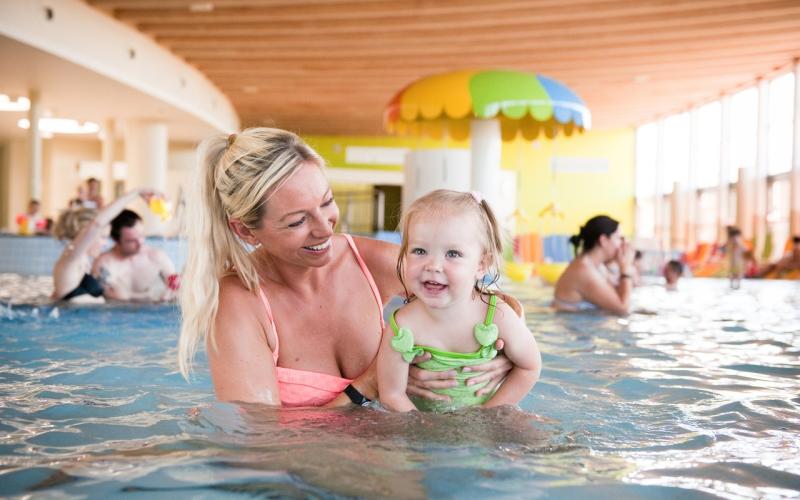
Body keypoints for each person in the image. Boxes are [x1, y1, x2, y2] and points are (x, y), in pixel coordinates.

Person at [178, 128, 512, 408]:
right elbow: (258, 441)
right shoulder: (239, 303)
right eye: (297, 221)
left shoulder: (368, 261)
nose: (325, 228)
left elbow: (493, 302)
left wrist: (501, 358)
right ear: (245, 230)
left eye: (326, 202)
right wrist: (370, 383)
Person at [376, 190, 541, 412]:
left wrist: (490, 413)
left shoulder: (496, 316)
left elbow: (530, 367)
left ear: (482, 265)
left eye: (452, 254)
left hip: (491, 418)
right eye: (419, 250)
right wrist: (421, 428)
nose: (433, 265)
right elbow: (391, 394)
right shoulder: (403, 327)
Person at [51, 188, 155, 302]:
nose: (105, 243)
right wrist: (136, 193)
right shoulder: (71, 259)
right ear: (85, 234)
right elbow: (97, 224)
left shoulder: (83, 261)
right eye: (103, 237)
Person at [553, 215, 635, 315]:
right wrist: (625, 268)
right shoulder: (584, 271)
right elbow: (622, 309)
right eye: (618, 238)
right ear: (603, 240)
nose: (621, 245)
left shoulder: (594, 266)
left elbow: (616, 296)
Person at [92, 209, 179, 302]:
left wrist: (171, 293)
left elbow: (176, 289)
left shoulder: (157, 257)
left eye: (141, 236)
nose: (140, 243)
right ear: (115, 240)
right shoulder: (104, 264)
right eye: (132, 240)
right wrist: (152, 297)